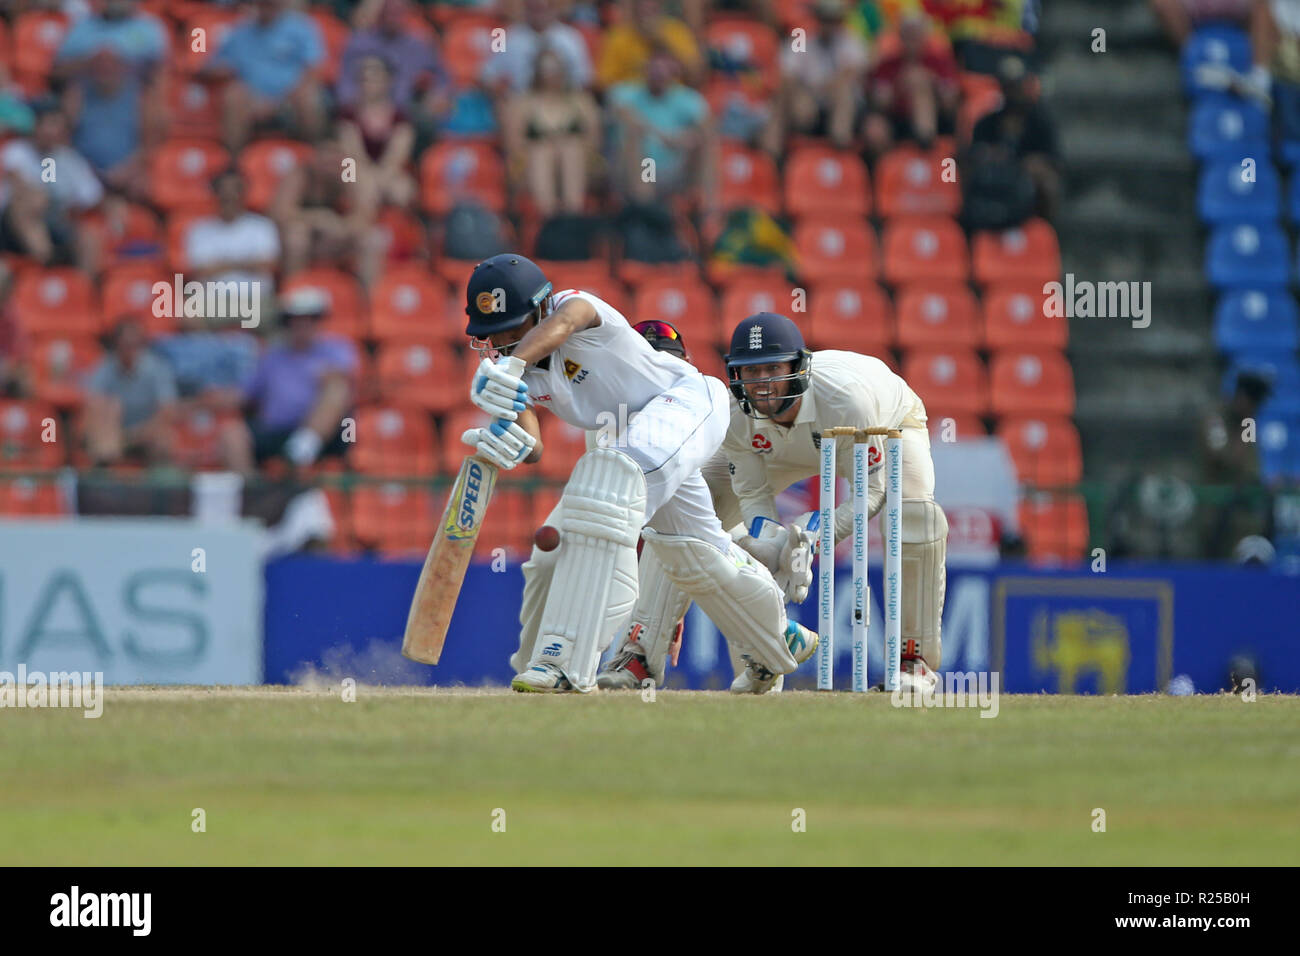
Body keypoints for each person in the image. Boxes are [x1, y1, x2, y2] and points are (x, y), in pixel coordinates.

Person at [460, 254, 818, 694]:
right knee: (692, 552)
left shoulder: (574, 309)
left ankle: (563, 662)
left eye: (511, 329)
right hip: (641, 435)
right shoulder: (528, 370)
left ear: (538, 309)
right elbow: (533, 443)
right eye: (492, 337)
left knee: (608, 487)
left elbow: (568, 321)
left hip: (686, 401)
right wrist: (506, 437)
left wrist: (511, 366)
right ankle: (780, 636)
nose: (503, 343)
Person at [601, 312, 949, 694]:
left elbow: (874, 491)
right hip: (774, 449)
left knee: (916, 517)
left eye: (772, 369)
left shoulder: (848, 401)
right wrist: (768, 544)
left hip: (887, 422)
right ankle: (641, 657)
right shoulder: (734, 414)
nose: (762, 384)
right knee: (678, 508)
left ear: (797, 367)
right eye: (750, 373)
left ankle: (913, 661)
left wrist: (815, 535)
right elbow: (753, 494)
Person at [219, 289, 357, 473]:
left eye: (310, 319)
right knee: (232, 434)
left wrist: (328, 377)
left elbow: (343, 380)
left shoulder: (336, 349)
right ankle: (254, 495)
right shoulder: (273, 356)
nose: (303, 325)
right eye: (296, 320)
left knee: (336, 389)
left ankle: (304, 446)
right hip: (276, 430)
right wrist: (197, 402)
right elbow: (244, 394)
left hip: (329, 434)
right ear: (287, 323)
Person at [209, 0, 326, 150]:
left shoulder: (301, 27)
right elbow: (213, 67)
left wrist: (281, 100)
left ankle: (315, 152)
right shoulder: (240, 31)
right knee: (233, 95)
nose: (266, 6)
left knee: (308, 95)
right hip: (252, 99)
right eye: (262, 3)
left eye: (271, 3)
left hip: (291, 98)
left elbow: (313, 69)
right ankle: (233, 163)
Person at [501, 47, 600, 217]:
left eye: (556, 68)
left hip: (577, 165)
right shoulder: (523, 103)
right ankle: (548, 216)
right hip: (532, 167)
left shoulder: (581, 101)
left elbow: (593, 140)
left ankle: (572, 212)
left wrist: (562, 146)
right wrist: (548, 145)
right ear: (537, 72)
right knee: (542, 152)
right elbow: (514, 146)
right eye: (546, 68)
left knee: (570, 149)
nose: (552, 74)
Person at [607, 48, 713, 205]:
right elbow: (626, 117)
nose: (659, 74)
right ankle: (646, 207)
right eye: (655, 68)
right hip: (637, 168)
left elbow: (705, 128)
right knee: (635, 139)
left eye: (665, 69)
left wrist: (687, 138)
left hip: (673, 168)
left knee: (708, 140)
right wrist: (665, 137)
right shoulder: (624, 93)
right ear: (646, 69)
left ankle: (709, 209)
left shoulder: (689, 99)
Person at [764, 0, 869, 155]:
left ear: (840, 21)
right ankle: (771, 153)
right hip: (809, 103)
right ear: (817, 19)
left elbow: (853, 73)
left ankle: (840, 142)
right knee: (783, 94)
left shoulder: (851, 41)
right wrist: (801, 94)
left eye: (833, 20)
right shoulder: (801, 40)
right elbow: (787, 73)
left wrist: (824, 88)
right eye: (825, 19)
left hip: (843, 107)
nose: (829, 25)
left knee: (843, 90)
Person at [82, 316, 178, 467]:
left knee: (164, 439)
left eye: (135, 344)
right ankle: (106, 481)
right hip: (115, 432)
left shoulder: (157, 369)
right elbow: (93, 406)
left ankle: (160, 485)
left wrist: (138, 434)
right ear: (116, 345)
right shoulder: (103, 368)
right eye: (126, 344)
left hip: (147, 431)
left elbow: (168, 411)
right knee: (108, 413)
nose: (130, 349)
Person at [861, 12, 960, 158]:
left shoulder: (940, 63)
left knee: (921, 89)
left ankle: (925, 147)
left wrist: (931, 82)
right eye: (908, 35)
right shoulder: (887, 65)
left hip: (936, 119)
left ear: (924, 37)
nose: (912, 41)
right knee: (874, 127)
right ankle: (886, 174)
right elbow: (879, 103)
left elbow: (950, 101)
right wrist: (900, 86)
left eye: (916, 35)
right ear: (900, 37)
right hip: (896, 118)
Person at [481, 0, 593, 95]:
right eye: (534, 9)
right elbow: (487, 75)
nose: (539, 14)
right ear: (526, 8)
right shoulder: (506, 36)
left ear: (553, 9)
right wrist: (504, 94)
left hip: (562, 101)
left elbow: (584, 79)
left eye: (543, 8)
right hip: (519, 100)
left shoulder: (571, 38)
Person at [598, 0, 702, 88]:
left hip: (671, 99)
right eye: (641, 3)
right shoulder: (619, 36)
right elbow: (604, 84)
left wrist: (659, 41)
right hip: (632, 100)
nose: (646, 6)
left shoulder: (677, 31)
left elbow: (695, 76)